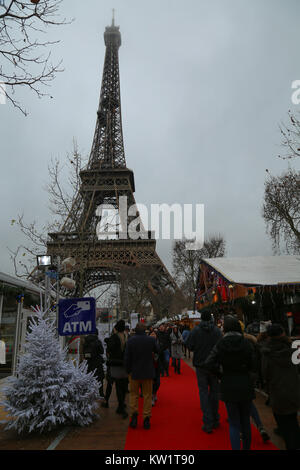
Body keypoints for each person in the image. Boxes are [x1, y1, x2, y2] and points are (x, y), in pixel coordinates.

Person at [205, 316, 256, 450]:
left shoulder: (221, 344)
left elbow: (209, 363)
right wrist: (249, 375)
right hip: (245, 383)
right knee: (245, 421)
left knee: (233, 423)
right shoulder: (246, 343)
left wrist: (220, 374)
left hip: (228, 383)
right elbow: (254, 364)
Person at [261, 323, 300, 450]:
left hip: (277, 392)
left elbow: (265, 374)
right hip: (293, 390)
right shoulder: (292, 348)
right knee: (293, 421)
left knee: (284, 423)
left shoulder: (267, 353)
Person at [187, 311, 222, 433]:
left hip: (201, 365)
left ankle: (208, 422)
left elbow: (190, 346)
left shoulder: (196, 331)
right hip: (214, 366)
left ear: (201, 319)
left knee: (203, 392)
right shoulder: (217, 331)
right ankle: (216, 419)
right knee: (214, 392)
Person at [124, 322, 158, 430]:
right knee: (147, 395)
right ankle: (146, 418)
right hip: (147, 372)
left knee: (134, 395)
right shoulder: (151, 340)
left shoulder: (130, 341)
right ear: (145, 330)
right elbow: (158, 350)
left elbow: (127, 358)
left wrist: (128, 370)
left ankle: (134, 416)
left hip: (134, 372)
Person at [105, 320, 128, 419]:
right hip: (125, 363)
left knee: (118, 384)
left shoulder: (114, 337)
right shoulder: (127, 337)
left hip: (116, 363)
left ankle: (121, 405)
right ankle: (122, 403)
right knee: (123, 384)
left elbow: (109, 348)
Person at [82, 333, 105, 398]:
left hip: (89, 362)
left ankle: (90, 393)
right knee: (100, 378)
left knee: (90, 378)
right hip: (97, 362)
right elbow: (102, 351)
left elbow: (84, 352)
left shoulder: (86, 341)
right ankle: (100, 393)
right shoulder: (97, 341)